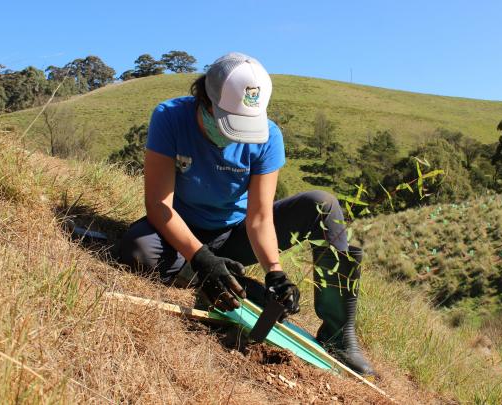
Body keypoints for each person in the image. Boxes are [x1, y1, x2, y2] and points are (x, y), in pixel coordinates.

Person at [118, 52, 375, 376]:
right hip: (178, 231)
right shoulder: (170, 117)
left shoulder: (269, 138)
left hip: (235, 235)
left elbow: (259, 217)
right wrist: (201, 259)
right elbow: (159, 204)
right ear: (206, 99)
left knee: (322, 205)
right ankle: (220, 279)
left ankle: (339, 334)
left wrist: (275, 273)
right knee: (137, 250)